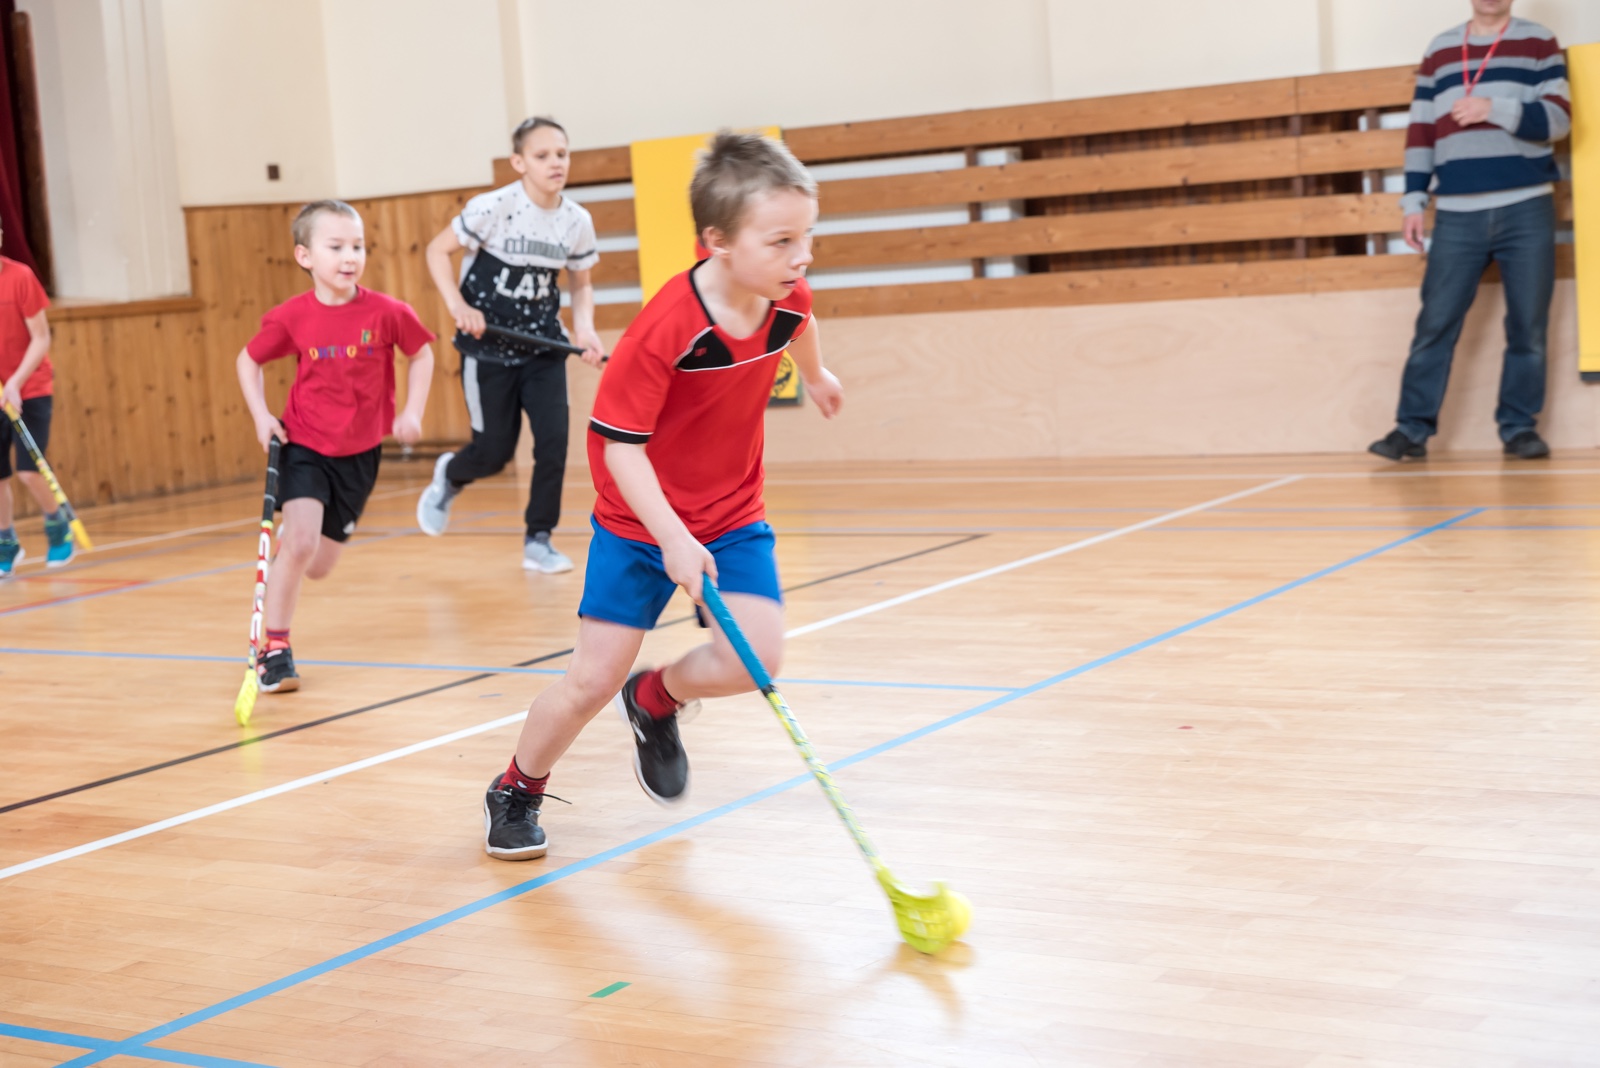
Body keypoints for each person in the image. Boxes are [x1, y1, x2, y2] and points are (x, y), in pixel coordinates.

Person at [480, 132, 844, 860]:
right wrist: (672, 537)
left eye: (806, 237)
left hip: (733, 515)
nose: (800, 256)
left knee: (755, 659)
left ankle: (657, 698)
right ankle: (516, 787)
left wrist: (817, 375)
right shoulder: (666, 328)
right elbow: (620, 447)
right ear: (718, 242)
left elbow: (802, 321)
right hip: (638, 525)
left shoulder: (785, 294)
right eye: (781, 241)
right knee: (591, 680)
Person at [236, 200, 436, 693]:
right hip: (303, 444)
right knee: (301, 543)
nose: (350, 257)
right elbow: (248, 360)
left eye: (358, 246)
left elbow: (422, 354)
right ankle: (275, 650)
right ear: (305, 256)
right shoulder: (292, 317)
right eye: (336, 247)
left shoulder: (388, 312)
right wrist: (262, 416)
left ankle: (296, 544)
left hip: (361, 454)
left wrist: (412, 412)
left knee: (319, 566)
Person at [1370, 0, 1570, 462]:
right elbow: (1422, 130)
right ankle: (1411, 430)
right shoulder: (1440, 48)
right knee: (1435, 324)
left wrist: (1494, 108)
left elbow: (1558, 121)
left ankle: (1519, 428)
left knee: (1528, 326)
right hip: (1457, 212)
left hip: (1526, 206)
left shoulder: (1538, 41)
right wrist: (1413, 200)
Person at [415, 116, 605, 573]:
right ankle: (450, 476)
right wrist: (459, 305)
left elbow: (581, 284)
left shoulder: (577, 221)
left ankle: (539, 538)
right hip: (488, 350)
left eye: (561, 154)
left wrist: (585, 329)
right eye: (542, 156)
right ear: (519, 163)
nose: (555, 163)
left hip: (543, 348)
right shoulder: (493, 208)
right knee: (494, 452)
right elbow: (437, 251)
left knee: (553, 444)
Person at [0, 232, 67, 575]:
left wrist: (15, 382)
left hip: (31, 387)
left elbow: (41, 337)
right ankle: (7, 542)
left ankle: (57, 526)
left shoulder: (20, 277)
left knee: (28, 471)